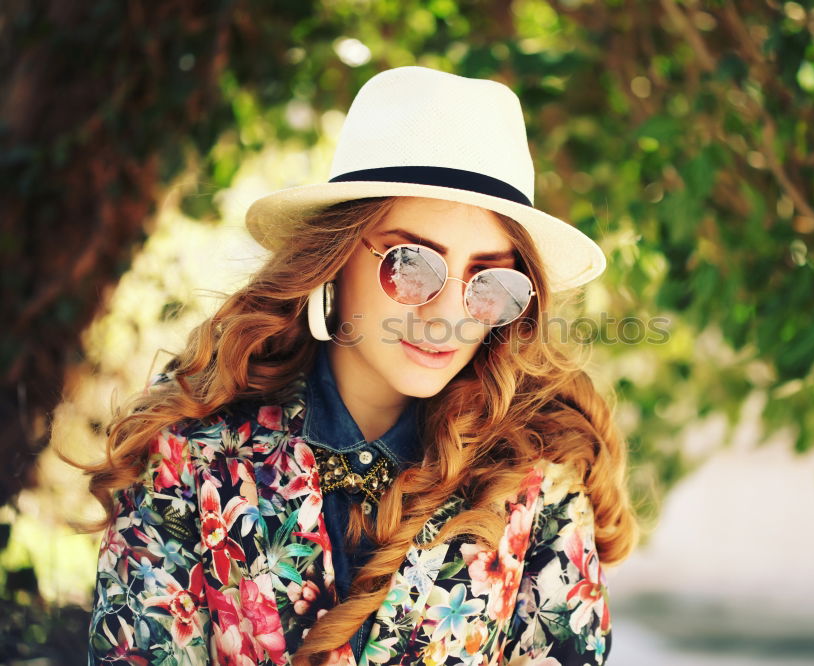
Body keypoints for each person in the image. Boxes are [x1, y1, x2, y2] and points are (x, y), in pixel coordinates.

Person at [82, 65, 638, 666]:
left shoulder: (540, 473)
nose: (448, 315)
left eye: (491, 280)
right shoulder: (192, 446)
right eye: (411, 263)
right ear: (337, 256)